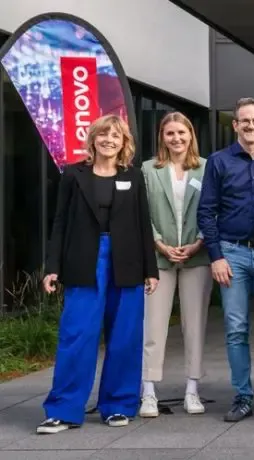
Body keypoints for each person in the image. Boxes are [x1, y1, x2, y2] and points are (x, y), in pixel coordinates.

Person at [37, 115, 158, 434]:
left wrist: (151, 269)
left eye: (115, 135)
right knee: (77, 334)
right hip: (84, 261)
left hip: (128, 261)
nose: (109, 139)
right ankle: (63, 409)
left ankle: (118, 405)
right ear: (93, 139)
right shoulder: (73, 175)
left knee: (125, 336)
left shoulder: (133, 176)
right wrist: (53, 267)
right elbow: (60, 223)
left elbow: (143, 223)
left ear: (124, 142)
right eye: (103, 134)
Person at [197, 97, 254, 422]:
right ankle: (243, 396)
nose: (251, 126)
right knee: (236, 328)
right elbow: (206, 212)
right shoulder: (219, 162)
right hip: (232, 254)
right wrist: (216, 256)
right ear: (235, 125)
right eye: (244, 121)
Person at [139, 112, 212, 418]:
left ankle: (192, 391)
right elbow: (141, 213)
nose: (176, 138)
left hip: (198, 255)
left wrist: (198, 242)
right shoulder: (148, 170)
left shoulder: (207, 168)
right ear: (162, 137)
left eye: (182, 133)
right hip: (158, 257)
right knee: (152, 326)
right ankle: (148, 392)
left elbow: (214, 208)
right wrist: (159, 243)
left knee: (195, 324)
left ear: (191, 135)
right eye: (170, 133)